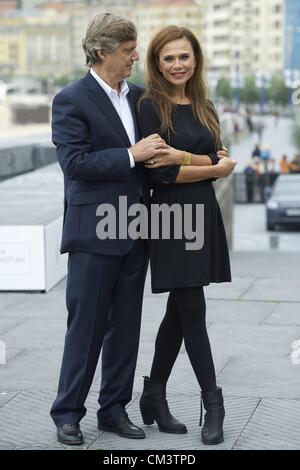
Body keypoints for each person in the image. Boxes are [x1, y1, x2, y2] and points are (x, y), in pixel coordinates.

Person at [50, 13, 173, 446]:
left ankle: (113, 410)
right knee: (85, 327)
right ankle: (67, 413)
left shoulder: (140, 97)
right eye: (126, 51)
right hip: (92, 232)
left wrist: (201, 158)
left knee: (125, 326)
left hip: (136, 227)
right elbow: (75, 164)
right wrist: (131, 154)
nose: (135, 58)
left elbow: (156, 154)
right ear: (101, 52)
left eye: (134, 49)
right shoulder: (70, 99)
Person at [137, 26, 236, 445]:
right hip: (170, 218)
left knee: (181, 310)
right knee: (192, 307)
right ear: (156, 63)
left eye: (184, 57)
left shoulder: (205, 105)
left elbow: (219, 152)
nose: (177, 65)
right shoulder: (147, 106)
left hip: (203, 213)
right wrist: (211, 167)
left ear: (196, 60)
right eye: (168, 58)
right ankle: (213, 403)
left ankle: (154, 395)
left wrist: (194, 158)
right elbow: (162, 172)